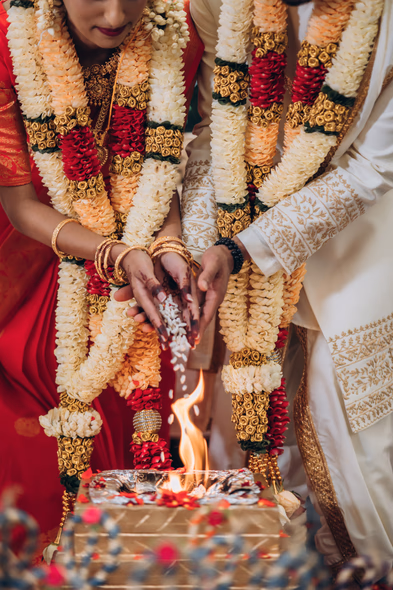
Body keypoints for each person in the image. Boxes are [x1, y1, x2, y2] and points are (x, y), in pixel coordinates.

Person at [181, 0, 393, 578]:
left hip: (356, 240)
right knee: (235, 431)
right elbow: (209, 132)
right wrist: (197, 256)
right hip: (234, 227)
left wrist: (242, 247)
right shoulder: (215, 4)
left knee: (349, 433)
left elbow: (372, 170)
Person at [0, 0, 203, 555]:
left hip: (131, 247)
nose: (116, 14)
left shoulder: (170, 28)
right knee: (41, 374)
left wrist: (168, 244)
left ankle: (126, 555)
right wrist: (113, 253)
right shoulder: (8, 37)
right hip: (38, 247)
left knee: (145, 379)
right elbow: (20, 206)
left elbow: (158, 165)